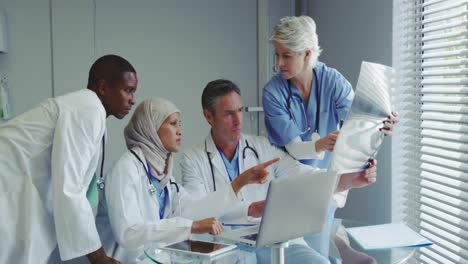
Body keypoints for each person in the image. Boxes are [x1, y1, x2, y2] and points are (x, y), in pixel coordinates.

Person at [180, 79, 378, 263]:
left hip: (270, 239)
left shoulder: (261, 146)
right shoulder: (193, 159)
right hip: (224, 246)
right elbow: (196, 212)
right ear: (208, 116)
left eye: (240, 111)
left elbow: (304, 175)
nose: (238, 120)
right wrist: (247, 205)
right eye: (229, 114)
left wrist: (349, 179)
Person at [262, 15, 398, 263]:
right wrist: (321, 144)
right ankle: (340, 244)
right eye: (277, 55)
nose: (279, 63)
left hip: (328, 179)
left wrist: (381, 127)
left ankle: (337, 243)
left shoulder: (331, 81)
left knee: (318, 246)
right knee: (301, 247)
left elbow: (360, 125)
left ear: (307, 54)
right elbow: (294, 148)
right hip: (288, 179)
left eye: (287, 55)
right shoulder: (273, 92)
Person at [96, 98, 279, 263]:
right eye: (173, 124)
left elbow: (193, 208)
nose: (180, 131)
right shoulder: (126, 169)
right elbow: (128, 233)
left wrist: (242, 191)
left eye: (180, 124)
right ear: (151, 128)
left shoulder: (163, 174)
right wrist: (191, 226)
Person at [0, 54, 137, 264]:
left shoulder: (89, 110)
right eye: (127, 90)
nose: (132, 99)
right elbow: (70, 188)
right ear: (103, 87)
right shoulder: (87, 109)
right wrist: (99, 257)